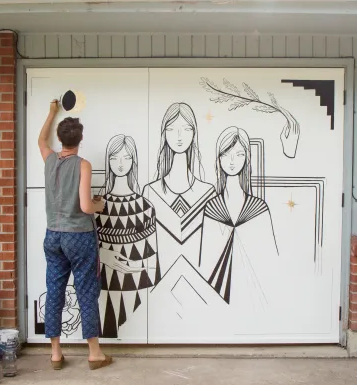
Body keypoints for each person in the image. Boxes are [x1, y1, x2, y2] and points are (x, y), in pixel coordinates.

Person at [38, 98, 112, 370]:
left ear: (60, 139)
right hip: (78, 236)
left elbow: (41, 140)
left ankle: (56, 353)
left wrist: (51, 113)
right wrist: (98, 205)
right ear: (80, 140)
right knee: (86, 290)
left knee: (55, 289)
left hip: (52, 236)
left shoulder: (49, 160)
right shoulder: (82, 164)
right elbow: (84, 206)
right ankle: (94, 353)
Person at [199, 126, 278, 308]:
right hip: (217, 295)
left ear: (247, 158)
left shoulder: (259, 208)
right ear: (218, 159)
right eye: (226, 154)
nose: (232, 161)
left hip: (255, 294)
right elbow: (205, 262)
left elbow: (269, 259)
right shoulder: (212, 208)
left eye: (239, 154)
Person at [95, 134, 160, 338]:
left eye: (126, 157)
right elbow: (87, 246)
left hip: (138, 285)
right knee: (107, 326)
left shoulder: (146, 207)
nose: (120, 164)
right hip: (102, 284)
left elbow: (152, 263)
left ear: (134, 161)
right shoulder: (97, 204)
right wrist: (102, 255)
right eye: (114, 158)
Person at [142, 103, 215, 277]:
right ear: (164, 133)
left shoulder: (208, 192)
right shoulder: (151, 192)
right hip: (158, 285)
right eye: (172, 129)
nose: (179, 136)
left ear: (194, 133)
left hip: (200, 282)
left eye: (186, 128)